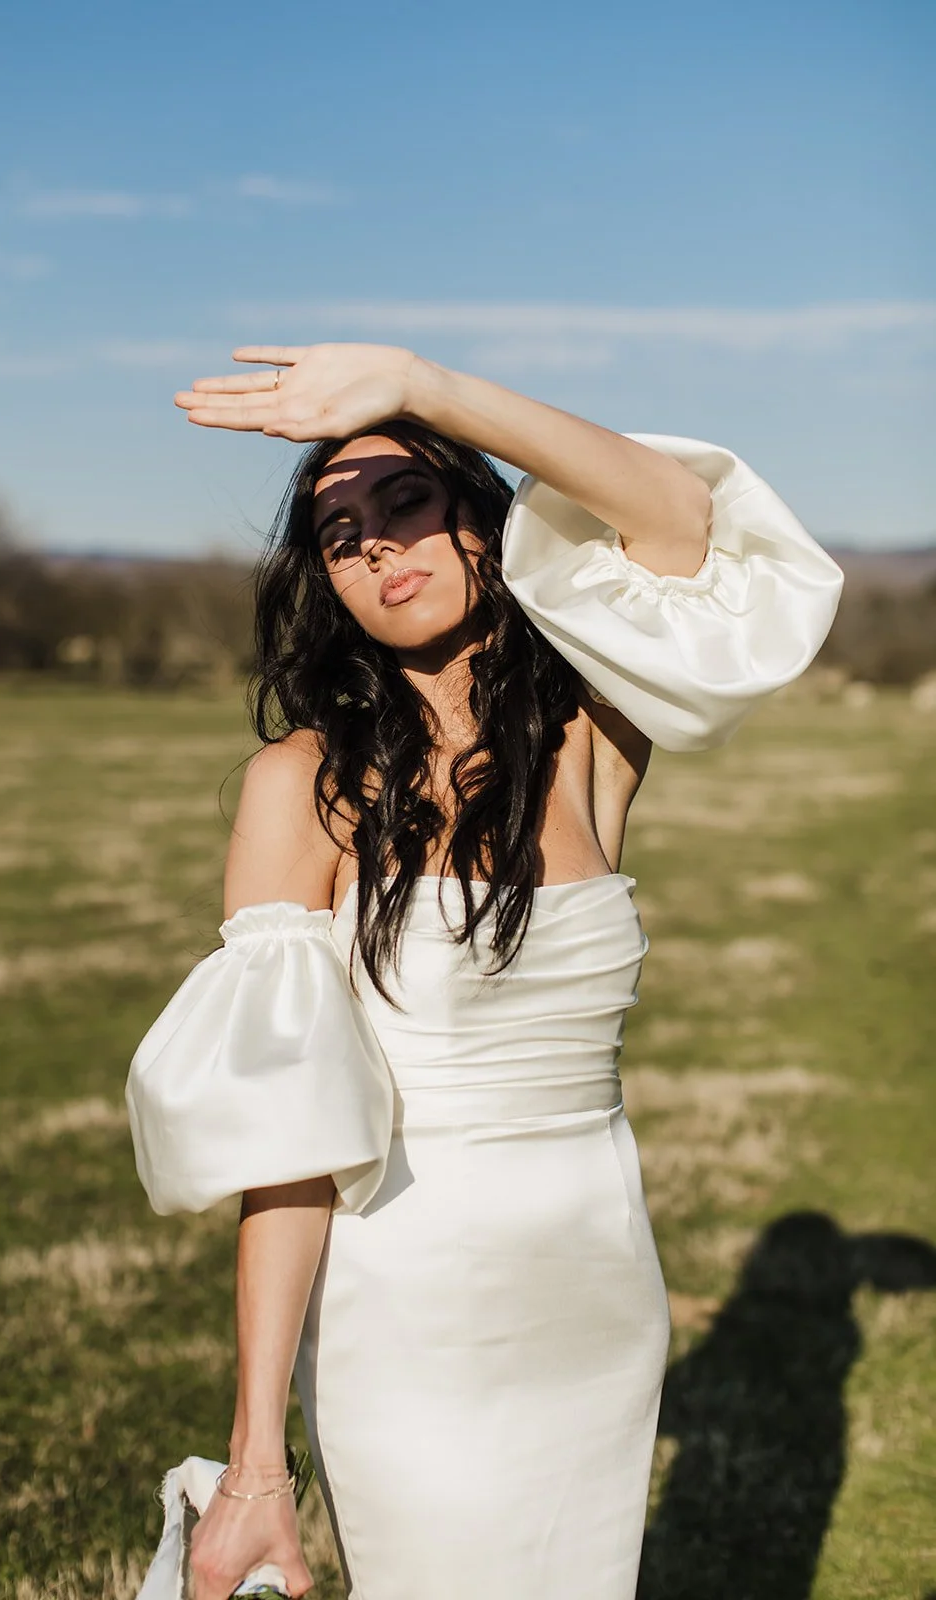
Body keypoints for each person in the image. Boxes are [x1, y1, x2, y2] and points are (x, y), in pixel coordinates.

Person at [126, 343, 844, 1600]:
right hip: (403, 1301)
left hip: (594, 1288)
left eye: (405, 501)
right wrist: (254, 1459)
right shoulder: (304, 785)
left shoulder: (590, 734)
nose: (375, 548)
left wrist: (419, 386)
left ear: (481, 521)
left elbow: (684, 519)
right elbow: (287, 1141)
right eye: (340, 536)